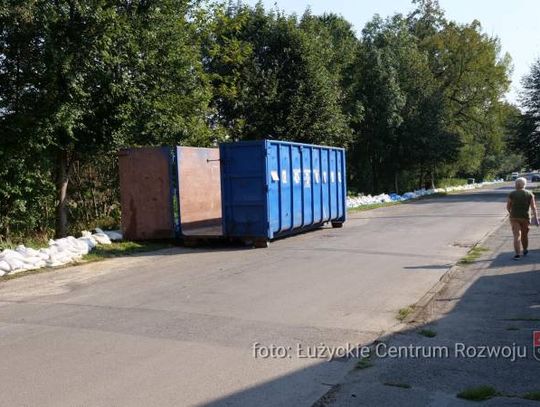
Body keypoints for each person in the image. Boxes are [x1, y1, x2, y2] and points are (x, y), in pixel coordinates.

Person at [506, 177, 539, 260]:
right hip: (526, 217)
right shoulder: (530, 194)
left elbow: (508, 207)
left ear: (517, 184)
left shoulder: (512, 194)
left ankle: (517, 254)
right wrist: (536, 219)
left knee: (517, 236)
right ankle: (524, 249)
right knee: (524, 235)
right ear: (524, 184)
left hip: (514, 217)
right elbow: (534, 207)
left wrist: (511, 213)